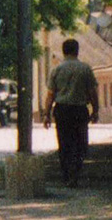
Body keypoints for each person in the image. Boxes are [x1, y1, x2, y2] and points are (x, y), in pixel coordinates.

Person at [43, 37, 100, 187]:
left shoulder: (56, 70)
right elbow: (92, 92)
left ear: (63, 52)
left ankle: (67, 174)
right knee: (80, 143)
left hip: (62, 110)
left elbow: (50, 95)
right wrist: (95, 110)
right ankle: (75, 173)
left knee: (64, 143)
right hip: (79, 110)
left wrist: (46, 115)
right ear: (77, 51)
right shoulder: (85, 69)